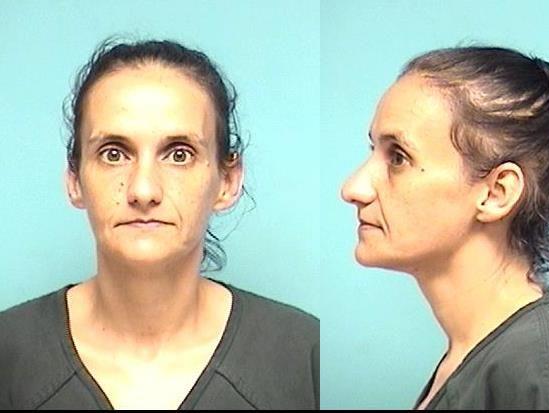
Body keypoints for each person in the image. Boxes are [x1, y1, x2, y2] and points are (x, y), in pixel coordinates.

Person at [0, 39, 319, 410]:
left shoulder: (304, 357)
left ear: (228, 181)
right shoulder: (9, 353)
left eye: (179, 155)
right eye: (114, 154)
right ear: (74, 179)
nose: (143, 190)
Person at [341, 46, 549, 409]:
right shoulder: (479, 357)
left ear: (497, 192)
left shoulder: (546, 373)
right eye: (374, 150)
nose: (354, 188)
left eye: (398, 158)